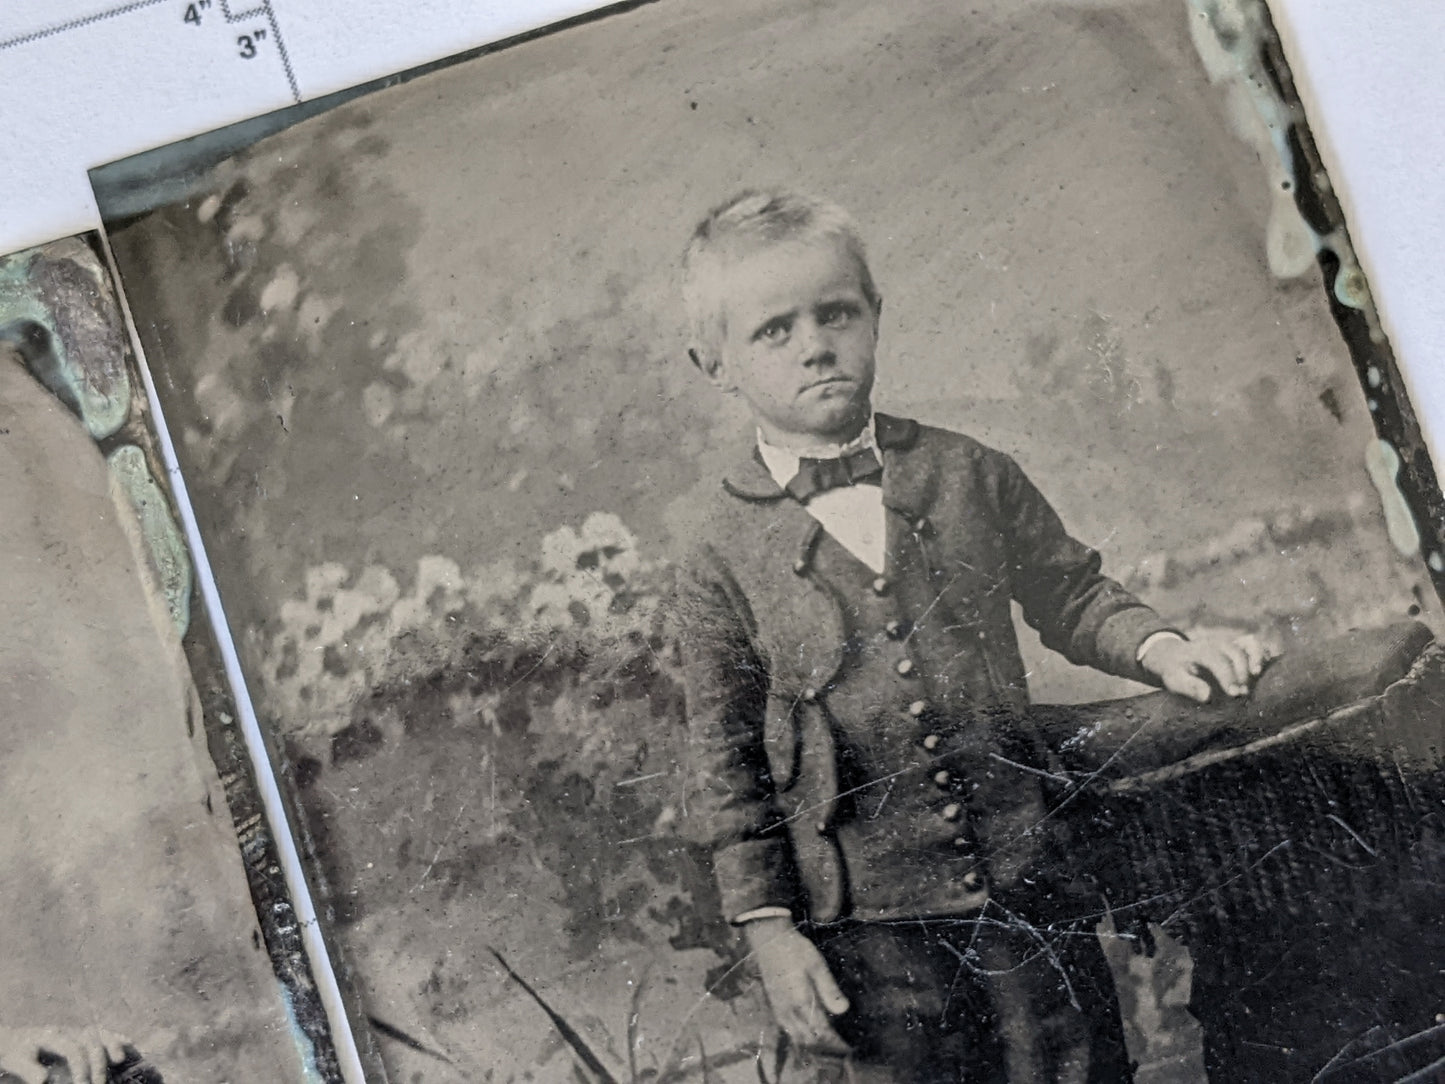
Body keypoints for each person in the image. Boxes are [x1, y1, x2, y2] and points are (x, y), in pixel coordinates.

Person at [672, 188, 1270, 1082]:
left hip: (1026, 883)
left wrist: (1163, 649)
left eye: (835, 312)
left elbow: (1072, 594)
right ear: (713, 362)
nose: (814, 344)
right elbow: (725, 764)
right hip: (864, 931)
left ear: (874, 315)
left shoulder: (967, 472)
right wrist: (768, 932)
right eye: (773, 330)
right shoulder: (713, 551)